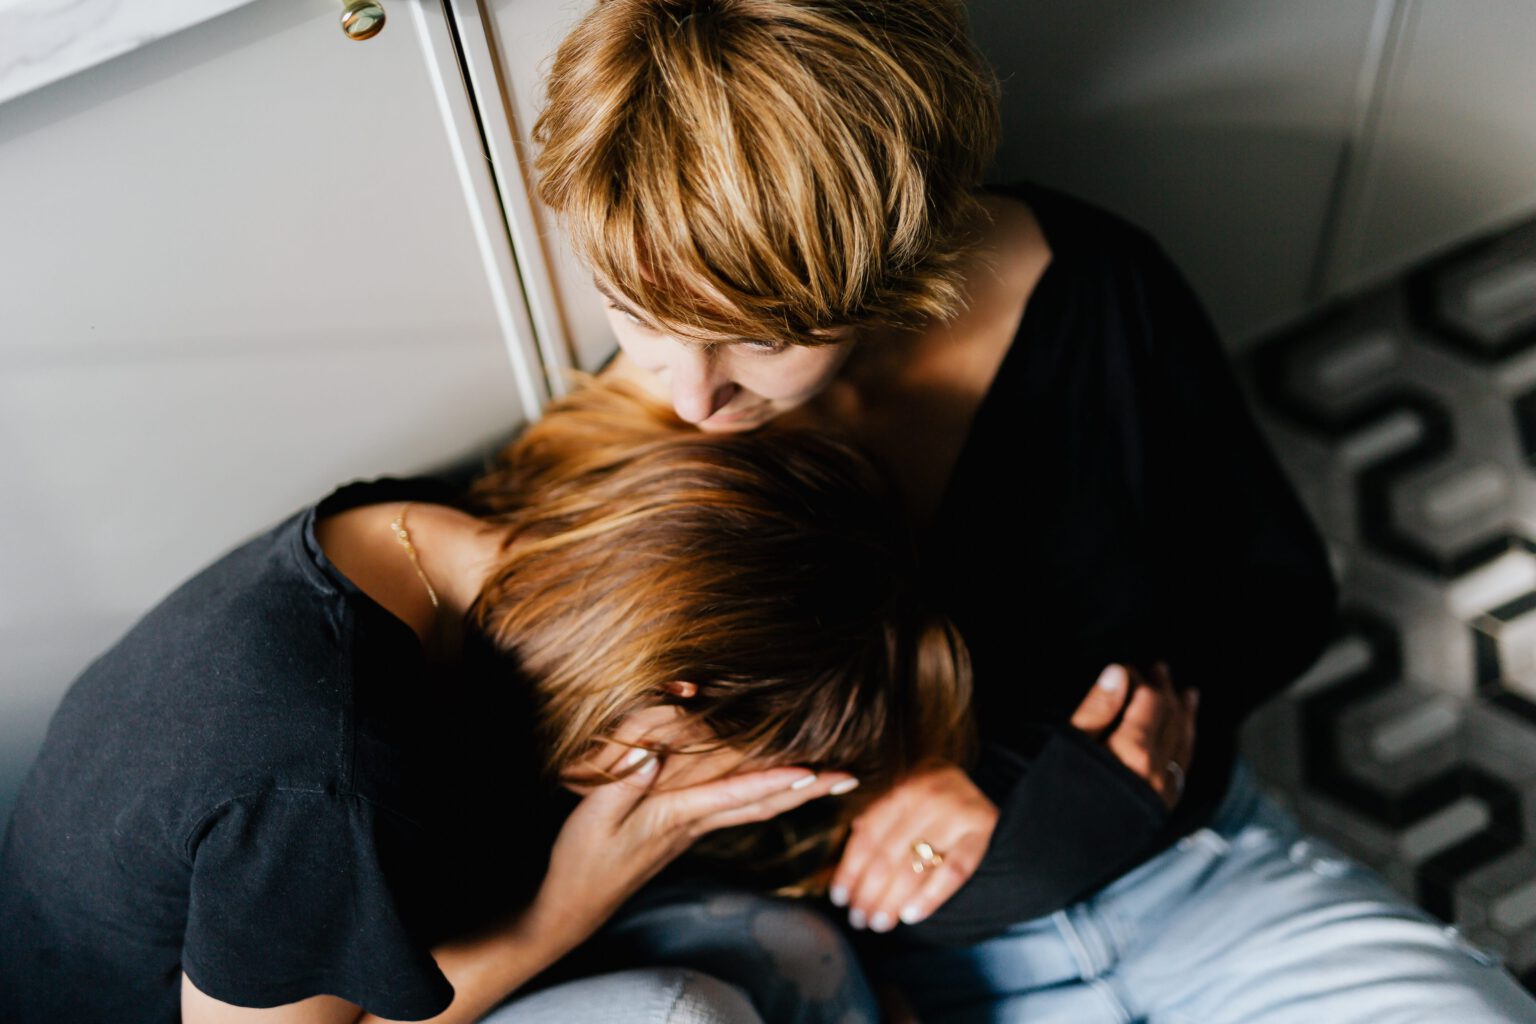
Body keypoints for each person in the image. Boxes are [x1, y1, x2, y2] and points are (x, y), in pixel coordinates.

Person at [529, 0, 1536, 1019]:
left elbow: (1274, 595)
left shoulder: (1095, 284)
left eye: (759, 336)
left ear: (888, 262)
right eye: (640, 312)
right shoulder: (618, 455)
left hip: (1205, 876)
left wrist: (1030, 772)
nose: (693, 395)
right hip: (914, 977)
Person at [0, 381, 973, 1024]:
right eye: (690, 761)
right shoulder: (321, 770)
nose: (658, 785)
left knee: (801, 949)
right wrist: (569, 902)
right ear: (675, 688)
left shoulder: (425, 540)